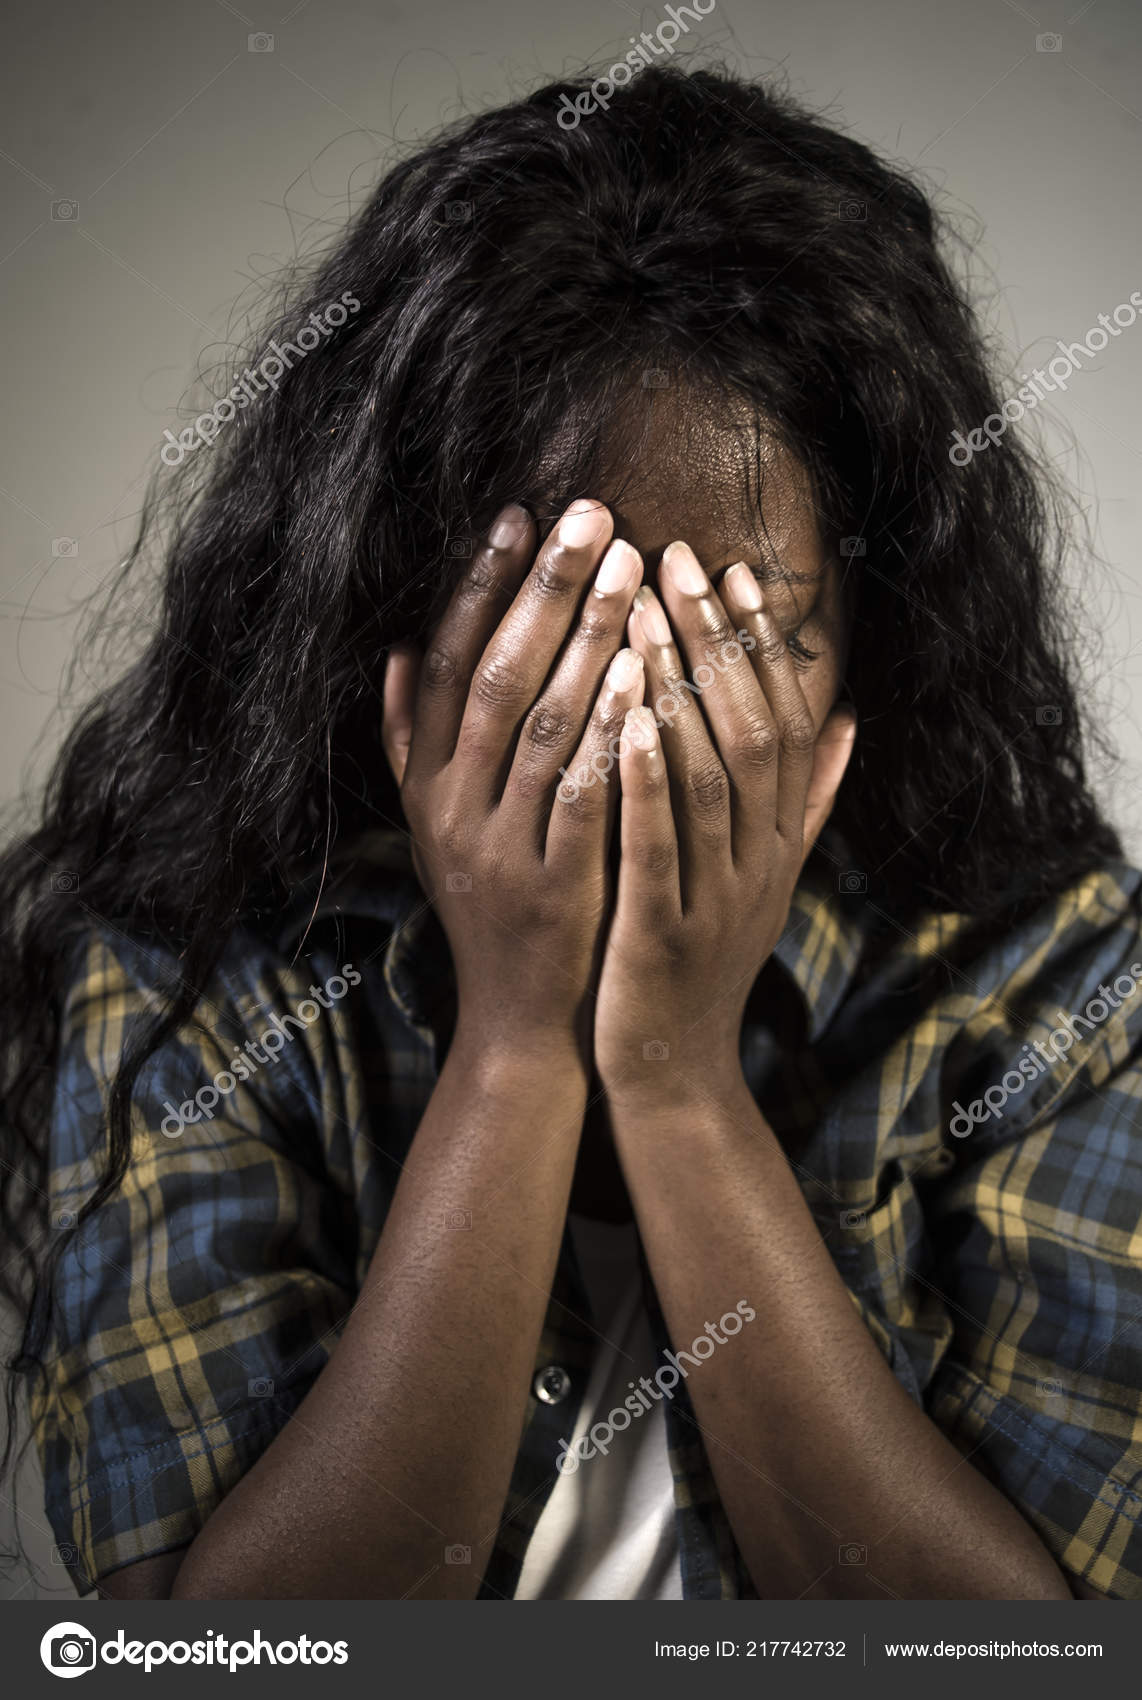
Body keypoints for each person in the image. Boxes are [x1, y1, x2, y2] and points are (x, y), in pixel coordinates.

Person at [2, 64, 1139, 1602]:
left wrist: (677, 1078)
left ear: (870, 645)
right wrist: (519, 1040)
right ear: (397, 636)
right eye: (571, 635)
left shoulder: (1054, 979)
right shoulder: (190, 982)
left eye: (737, 639)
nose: (644, 730)